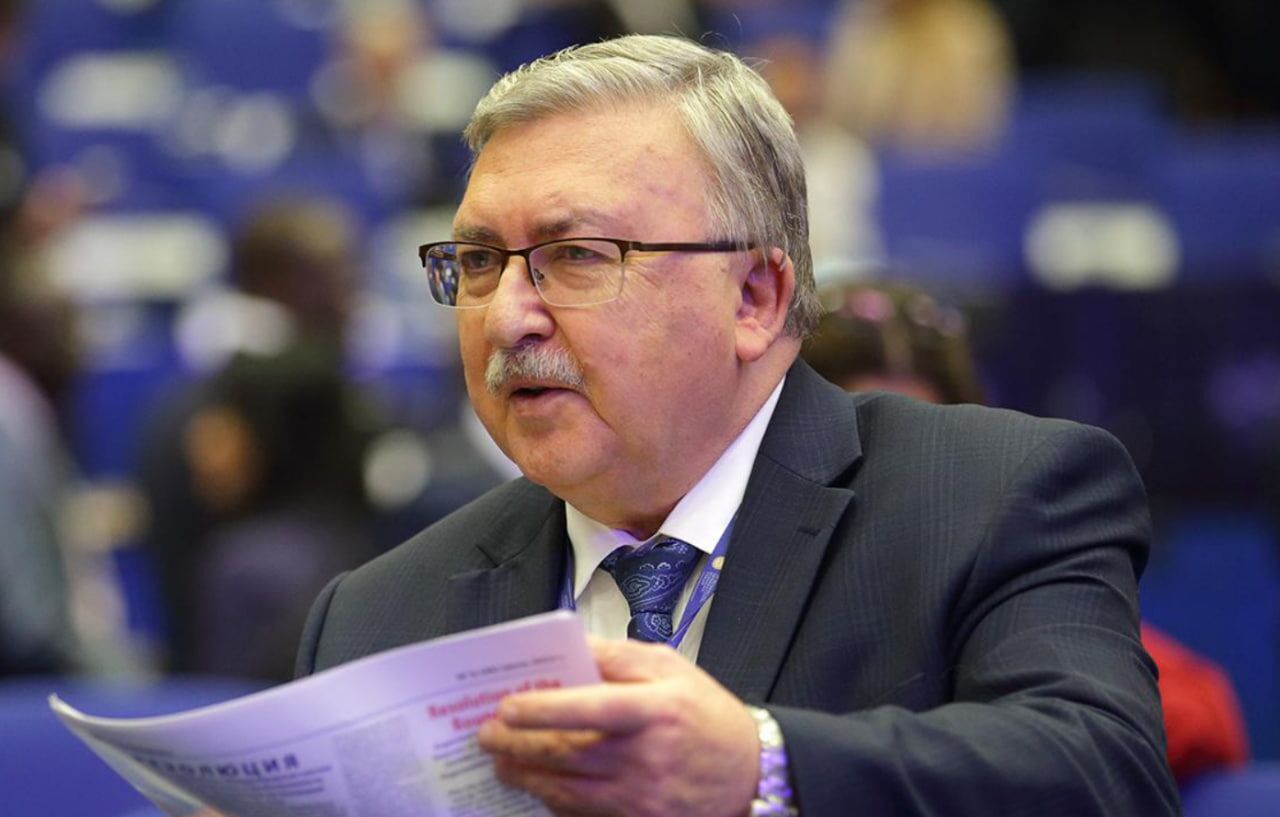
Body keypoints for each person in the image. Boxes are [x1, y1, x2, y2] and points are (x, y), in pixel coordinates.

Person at [295, 34, 1178, 815]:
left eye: (575, 255)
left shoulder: (992, 498)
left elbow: (1107, 777)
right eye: (481, 260)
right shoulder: (377, 616)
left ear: (755, 296)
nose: (505, 317)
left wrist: (762, 767)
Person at [806, 279, 1250, 785]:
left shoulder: (1011, 583)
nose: (896, 484)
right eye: (866, 450)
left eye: (922, 451)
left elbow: (1184, 711)